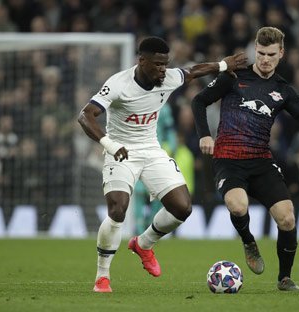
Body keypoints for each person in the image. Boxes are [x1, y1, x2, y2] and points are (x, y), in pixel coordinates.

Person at [77, 36, 247, 293]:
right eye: (157, 64)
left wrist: (223, 65)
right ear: (141, 61)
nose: (162, 70)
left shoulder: (167, 77)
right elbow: (85, 115)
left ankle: (143, 244)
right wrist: (109, 144)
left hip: (151, 149)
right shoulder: (118, 83)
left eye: (165, 64)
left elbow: (191, 72)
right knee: (118, 209)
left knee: (182, 207)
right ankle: (103, 276)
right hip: (120, 151)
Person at [191, 27, 299, 291]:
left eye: (271, 54)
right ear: (254, 50)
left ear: (281, 53)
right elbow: (199, 101)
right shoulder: (233, 77)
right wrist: (204, 135)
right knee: (238, 206)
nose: (265, 59)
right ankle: (249, 241)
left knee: (287, 218)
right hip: (228, 158)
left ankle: (285, 278)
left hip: (260, 161)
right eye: (260, 53)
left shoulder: (283, 90)